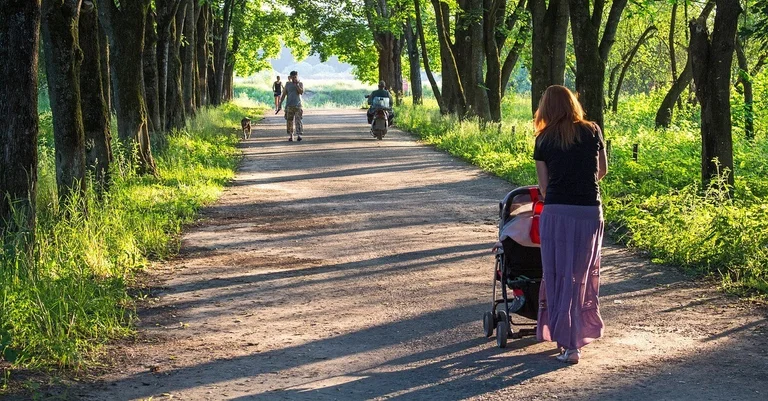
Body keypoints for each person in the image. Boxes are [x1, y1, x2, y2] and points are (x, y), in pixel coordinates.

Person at [533, 85, 608, 365]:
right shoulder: (592, 131)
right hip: (589, 211)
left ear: (546, 108)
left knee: (558, 274)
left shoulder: (543, 139)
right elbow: (602, 170)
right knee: (582, 275)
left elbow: (543, 186)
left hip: (557, 212)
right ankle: (579, 335)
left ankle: (567, 343)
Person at [279, 71, 304, 142]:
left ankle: (299, 135)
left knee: (298, 120)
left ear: (297, 76)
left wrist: (297, 85)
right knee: (289, 121)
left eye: (295, 77)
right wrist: (280, 104)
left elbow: (301, 92)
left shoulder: (300, 84)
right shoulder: (287, 84)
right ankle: (291, 135)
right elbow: (283, 95)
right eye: (292, 77)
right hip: (289, 105)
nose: (294, 79)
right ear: (290, 77)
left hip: (298, 105)